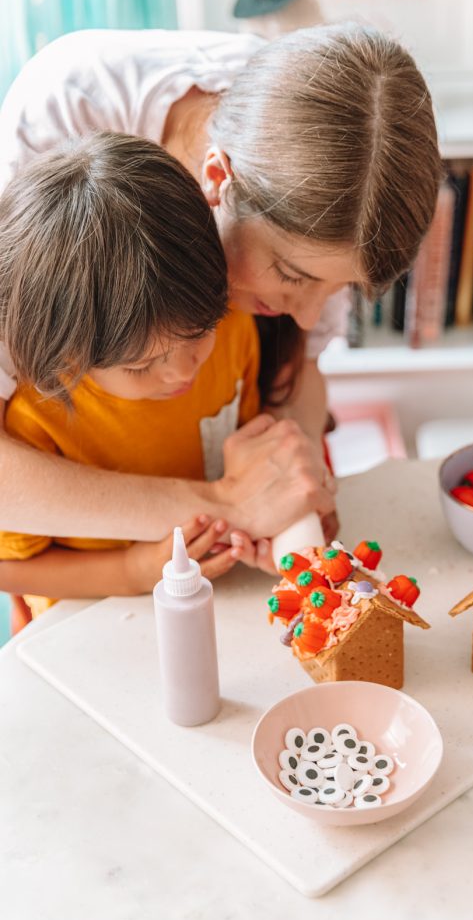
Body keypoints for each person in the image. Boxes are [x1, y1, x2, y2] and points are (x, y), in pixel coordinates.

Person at [0, 22, 442, 546]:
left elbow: (299, 369)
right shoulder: (57, 129)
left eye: (337, 288)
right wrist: (225, 506)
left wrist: (287, 460)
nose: (307, 317)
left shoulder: (343, 163)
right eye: (291, 275)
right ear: (216, 177)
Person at [0, 132, 273, 610]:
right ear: (69, 356)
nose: (180, 371)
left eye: (198, 333)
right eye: (141, 365)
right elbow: (11, 568)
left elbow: (242, 456)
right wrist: (135, 572)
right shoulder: (36, 420)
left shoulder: (233, 330)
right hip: (89, 626)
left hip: (223, 602)